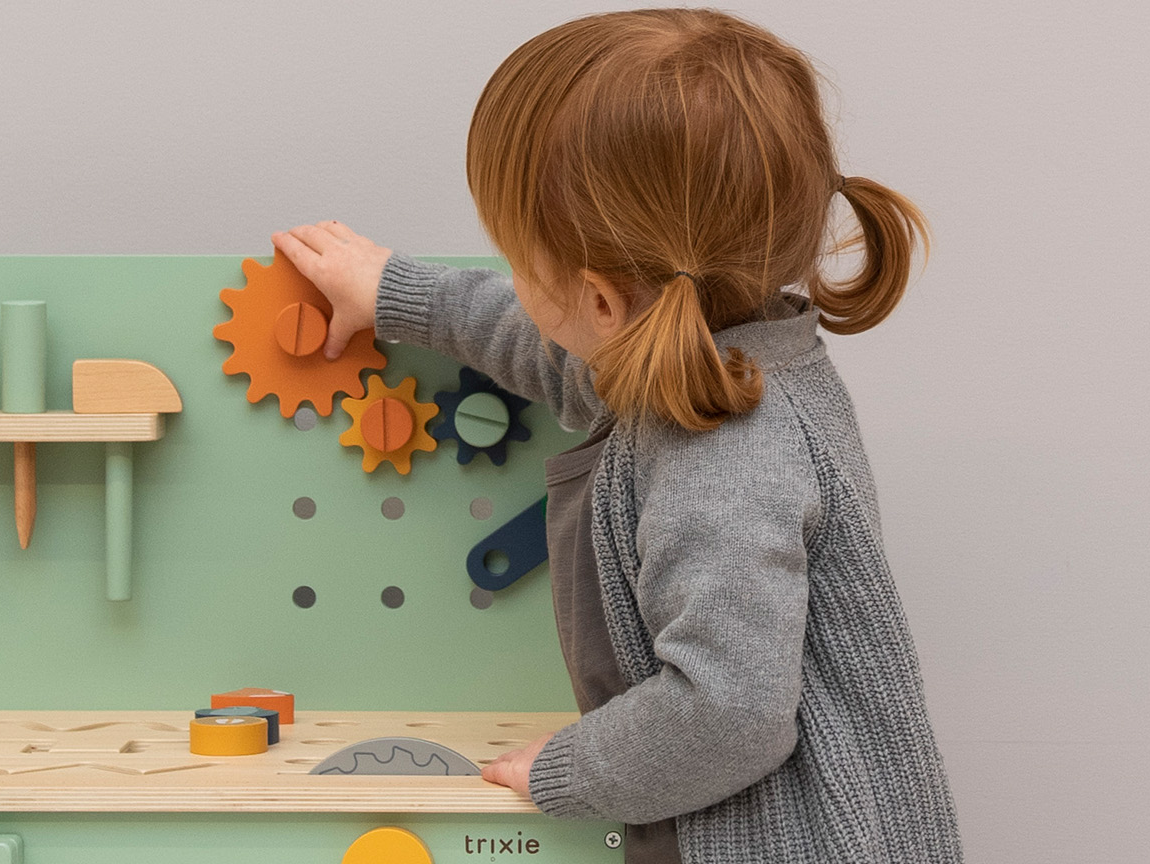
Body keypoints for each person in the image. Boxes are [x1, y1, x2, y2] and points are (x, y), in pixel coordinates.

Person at [272, 8, 960, 863]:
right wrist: (395, 293)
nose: (513, 283)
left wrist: (569, 768)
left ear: (603, 304)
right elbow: (557, 352)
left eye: (520, 264)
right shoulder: (718, 355)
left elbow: (729, 713)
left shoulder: (727, 450)